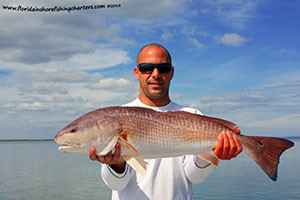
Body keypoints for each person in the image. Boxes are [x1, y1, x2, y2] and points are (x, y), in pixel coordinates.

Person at [89, 43, 243, 200]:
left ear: (172, 72)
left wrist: (213, 153)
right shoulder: (117, 118)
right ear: (137, 72)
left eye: (163, 68)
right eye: (147, 67)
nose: (155, 74)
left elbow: (195, 177)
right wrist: (116, 164)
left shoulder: (192, 115)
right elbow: (116, 185)